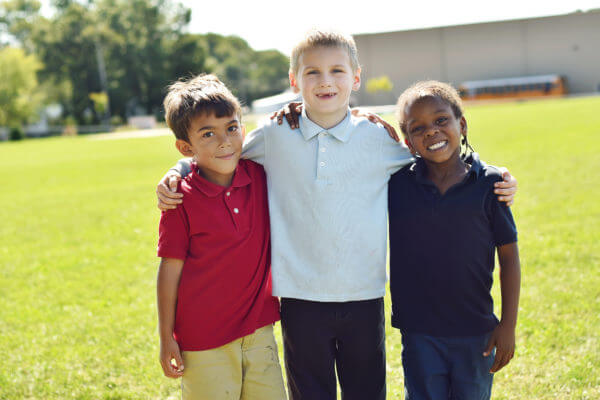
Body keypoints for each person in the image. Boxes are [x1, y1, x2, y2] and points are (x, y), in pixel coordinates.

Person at [156, 30, 518, 400]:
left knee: (366, 392)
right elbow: (218, 151)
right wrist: (178, 171)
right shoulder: (276, 134)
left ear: (356, 77)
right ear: (294, 81)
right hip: (300, 299)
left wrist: (493, 172)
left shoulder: (378, 139)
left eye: (337, 71)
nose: (325, 81)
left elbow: (439, 155)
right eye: (312, 72)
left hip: (364, 296)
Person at [156, 74, 286, 400]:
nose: (224, 141)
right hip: (203, 341)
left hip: (259, 332)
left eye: (231, 127)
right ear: (187, 148)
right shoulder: (179, 198)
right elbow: (169, 272)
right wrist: (165, 336)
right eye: (208, 134)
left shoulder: (259, 174)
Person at [388, 80, 521, 399]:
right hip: (419, 332)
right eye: (418, 128)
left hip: (476, 332)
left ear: (461, 124)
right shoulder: (396, 186)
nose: (431, 131)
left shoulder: (490, 185)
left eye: (441, 120)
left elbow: (509, 258)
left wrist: (508, 326)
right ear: (408, 142)